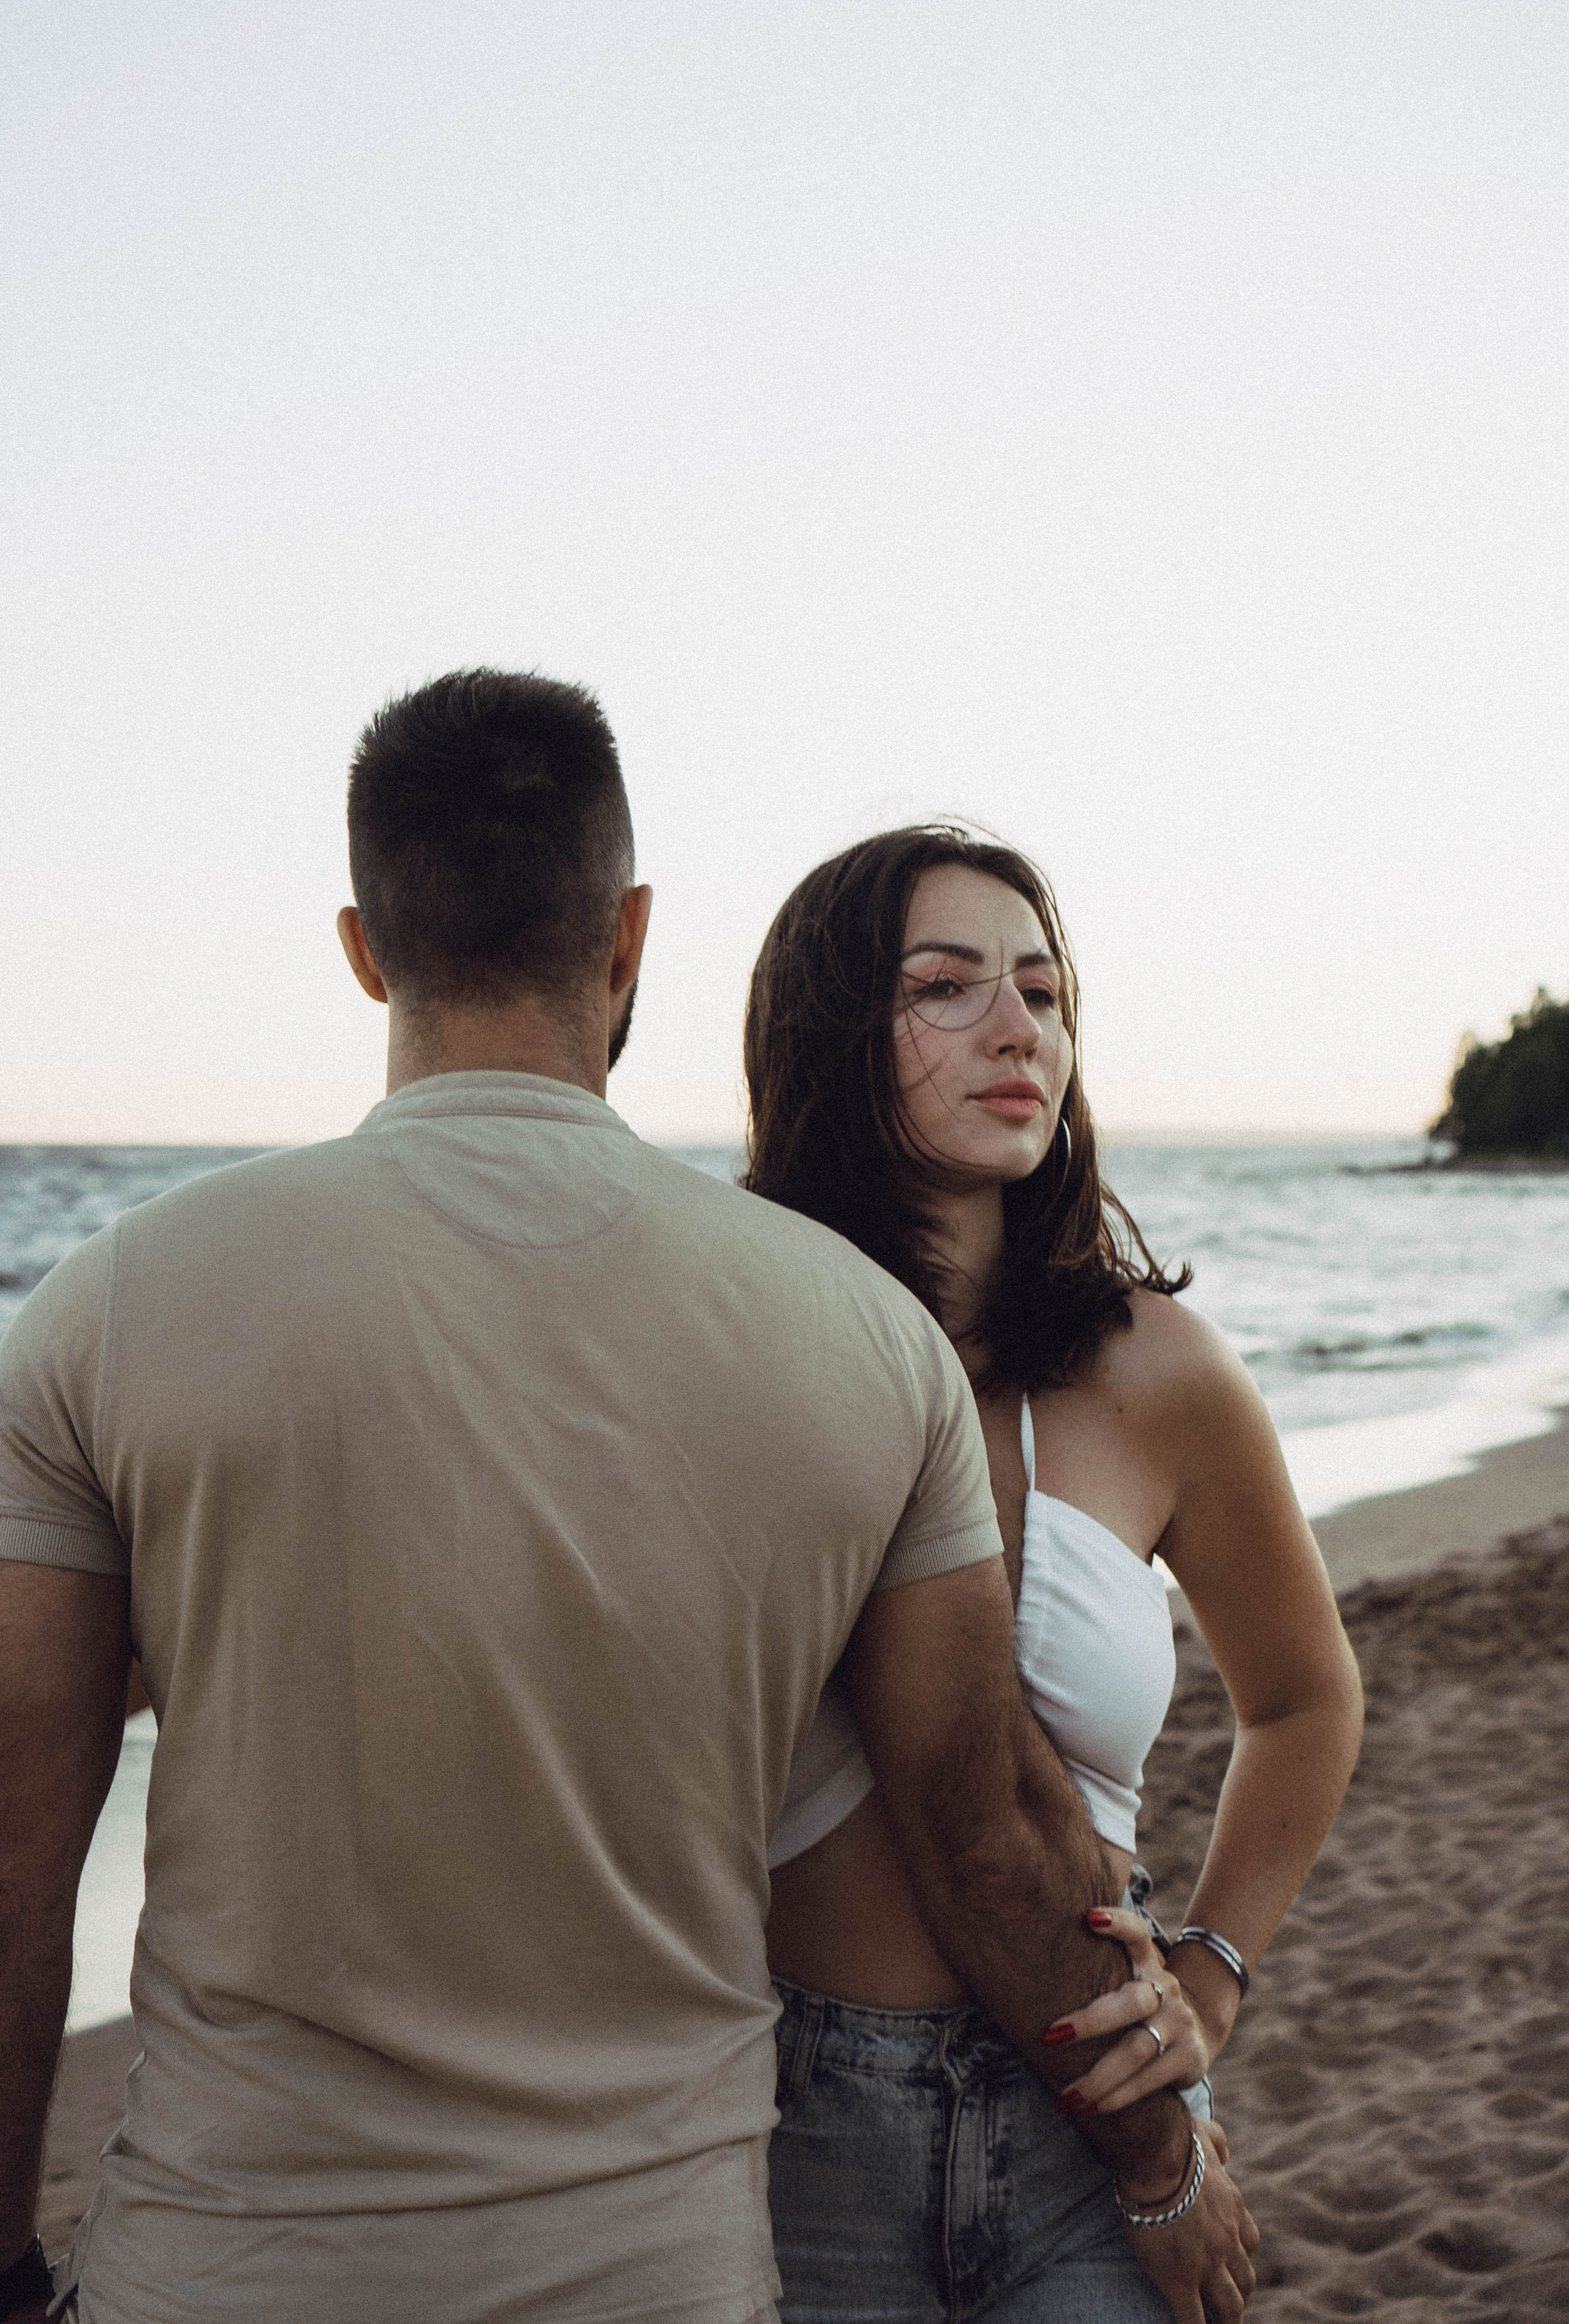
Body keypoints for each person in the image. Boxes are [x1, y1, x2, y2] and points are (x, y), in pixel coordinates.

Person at [0, 679, 1256, 2324]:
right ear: (631, 937)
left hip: (221, 2269)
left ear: (366, 948)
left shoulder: (108, 1310)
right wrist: (1162, 2159)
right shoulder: (860, 1339)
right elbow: (985, 1832)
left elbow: (23, 1832)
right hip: (658, 2276)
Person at [745, 824, 1364, 2321]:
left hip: (1099, 2108)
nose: (1018, 1028)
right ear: (833, 1034)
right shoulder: (742, 1352)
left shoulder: (1153, 1373)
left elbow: (1301, 1701)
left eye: (1041, 988)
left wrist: (1210, 1973)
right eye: (945, 987)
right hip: (791, 2119)